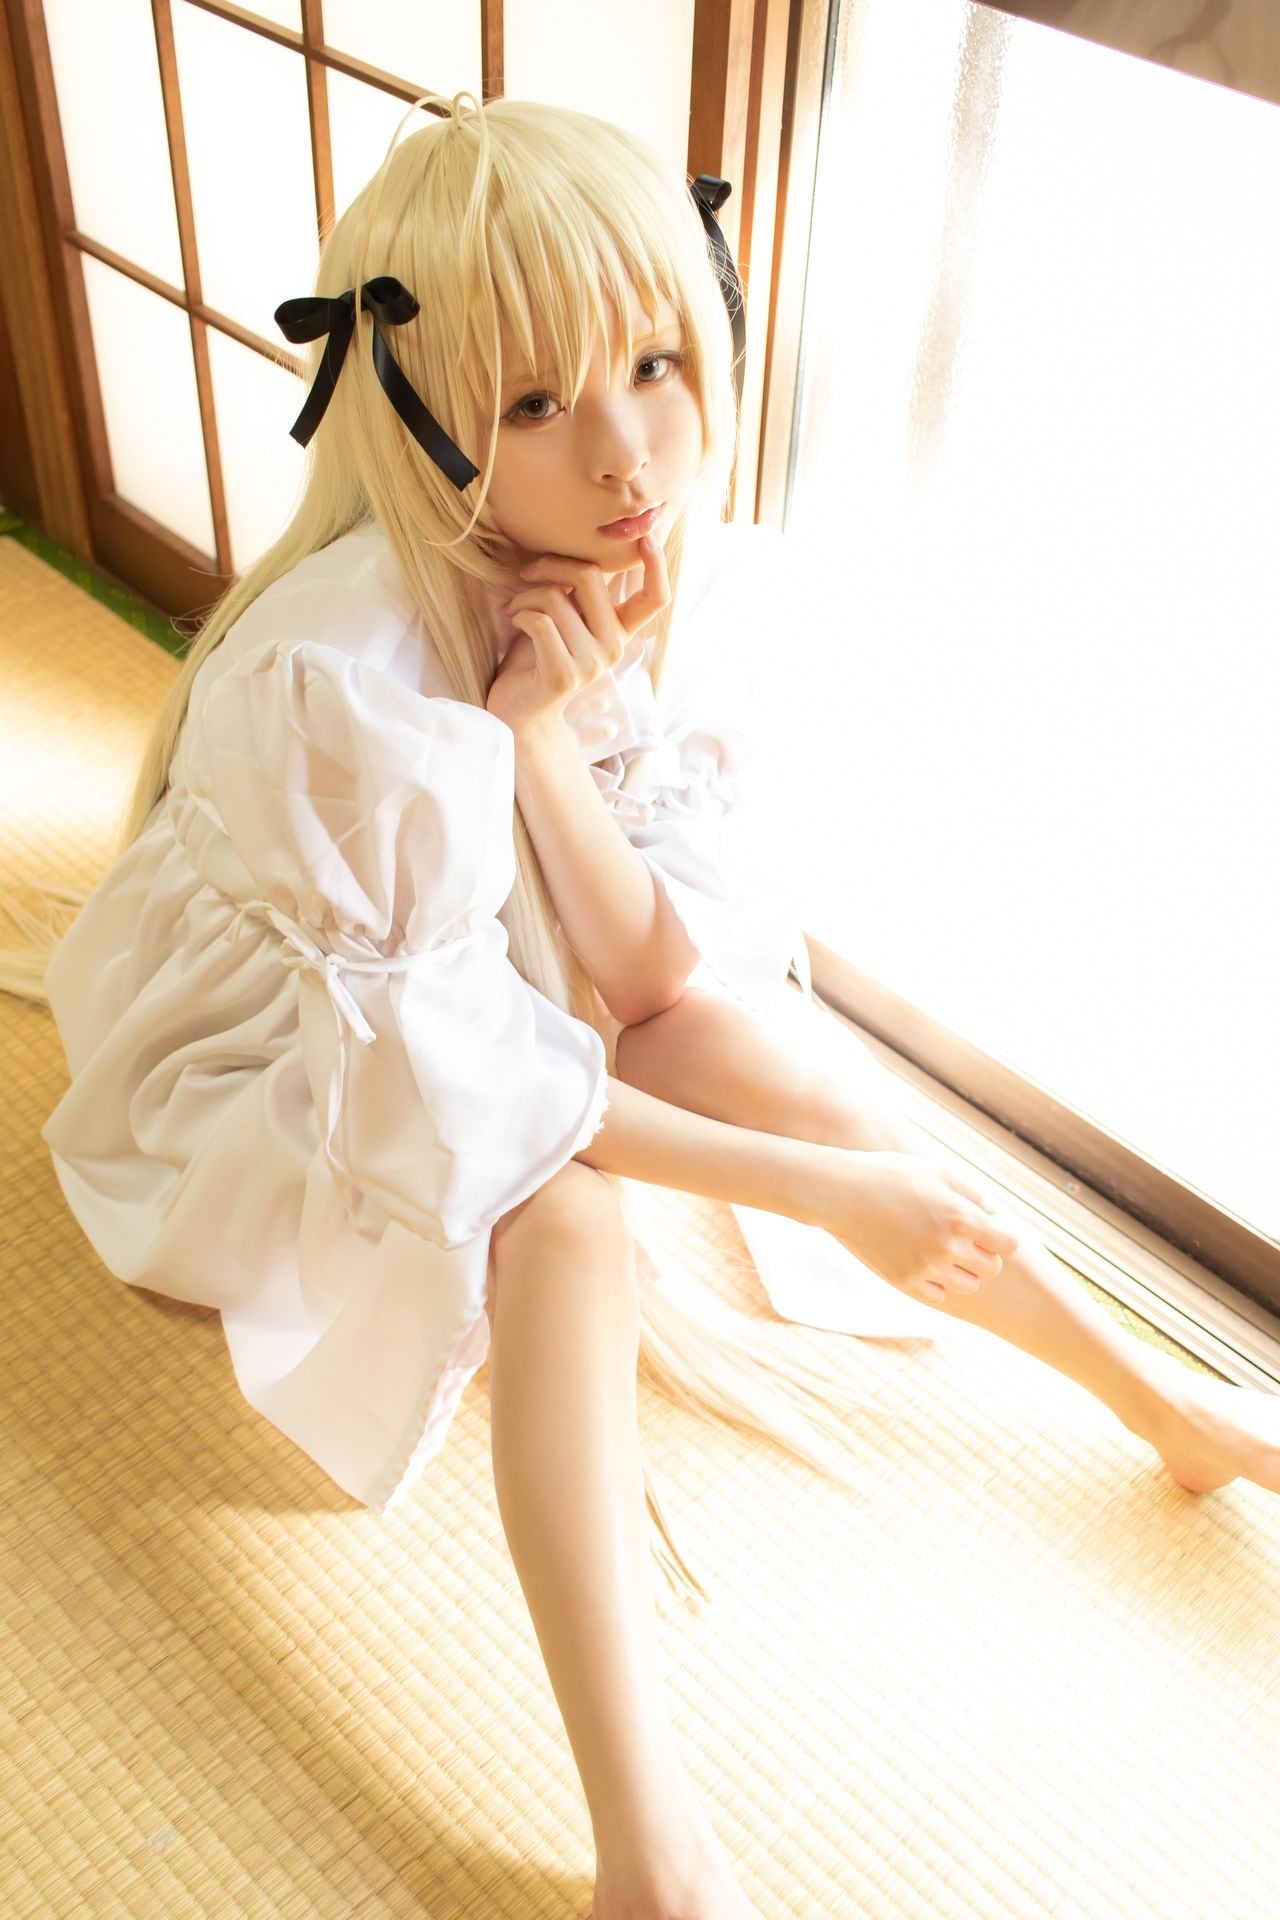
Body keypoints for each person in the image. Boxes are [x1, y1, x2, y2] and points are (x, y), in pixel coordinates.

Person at [19, 94, 1280, 1920]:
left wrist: (539, 740)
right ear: (418, 410)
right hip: (294, 1067)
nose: (626, 452)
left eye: (655, 363)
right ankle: (649, 1845)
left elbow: (649, 981)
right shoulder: (335, 674)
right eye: (535, 400)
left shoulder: (625, 564)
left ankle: (1160, 1404)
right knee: (569, 1215)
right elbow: (462, 1085)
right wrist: (830, 1198)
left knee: (769, 1061)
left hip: (486, 989)